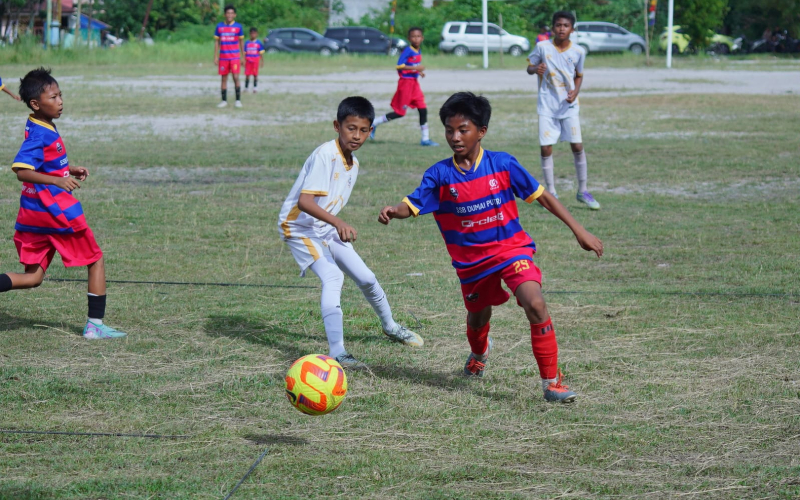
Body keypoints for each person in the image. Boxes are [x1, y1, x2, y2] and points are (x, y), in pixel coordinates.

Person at [378, 92, 603, 402]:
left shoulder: (502, 164)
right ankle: (479, 353)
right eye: (448, 129)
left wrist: (580, 230)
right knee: (477, 318)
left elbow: (543, 197)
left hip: (511, 250)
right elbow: (412, 205)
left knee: (535, 303)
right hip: (472, 265)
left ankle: (552, 383)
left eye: (463, 129)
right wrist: (394, 210)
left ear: (481, 131)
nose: (454, 137)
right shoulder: (440, 175)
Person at [277, 96, 424, 369]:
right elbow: (305, 203)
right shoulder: (325, 155)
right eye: (351, 128)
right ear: (337, 126)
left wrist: (334, 225)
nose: (357, 135)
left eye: (364, 130)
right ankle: (337, 353)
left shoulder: (353, 164)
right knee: (333, 276)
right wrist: (338, 223)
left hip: (324, 227)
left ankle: (391, 327)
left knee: (367, 278)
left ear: (371, 130)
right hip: (299, 227)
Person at [0, 68, 126, 340]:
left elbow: (46, 163)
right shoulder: (39, 134)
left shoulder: (38, 122)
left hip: (32, 213)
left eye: (60, 95)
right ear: (36, 103)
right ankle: (95, 325)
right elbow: (21, 170)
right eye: (53, 97)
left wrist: (67, 171)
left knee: (33, 278)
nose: (60, 102)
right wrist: (57, 182)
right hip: (54, 211)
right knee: (95, 259)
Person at [527, 11, 600, 210]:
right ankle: (551, 192)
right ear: (552, 28)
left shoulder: (578, 51)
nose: (561, 29)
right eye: (558, 25)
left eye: (565, 25)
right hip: (547, 106)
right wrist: (535, 70)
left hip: (569, 107)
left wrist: (575, 91)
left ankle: (583, 190)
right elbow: (529, 66)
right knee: (546, 148)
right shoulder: (542, 47)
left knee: (577, 146)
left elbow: (579, 75)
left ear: (572, 29)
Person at [370, 27, 438, 147]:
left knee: (423, 108)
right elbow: (399, 66)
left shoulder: (419, 50)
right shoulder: (407, 50)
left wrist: (418, 72)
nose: (416, 39)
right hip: (405, 84)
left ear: (422, 38)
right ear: (409, 38)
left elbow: (413, 64)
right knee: (400, 113)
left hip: (414, 84)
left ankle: (425, 139)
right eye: (413, 36)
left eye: (418, 36)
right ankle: (374, 124)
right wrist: (416, 69)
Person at [214, 5, 245, 108]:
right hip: (223, 57)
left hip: (235, 57)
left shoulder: (238, 27)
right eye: (228, 13)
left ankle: (238, 100)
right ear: (224, 14)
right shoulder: (219, 26)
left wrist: (243, 56)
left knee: (236, 77)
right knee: (224, 78)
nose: (230, 15)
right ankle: (224, 101)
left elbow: (241, 42)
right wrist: (215, 56)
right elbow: (217, 42)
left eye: (232, 13)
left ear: (235, 15)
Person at [243, 27, 265, 94]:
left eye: (254, 33)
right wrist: (243, 61)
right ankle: (246, 88)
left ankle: (255, 88)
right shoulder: (247, 43)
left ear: (257, 34)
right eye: (251, 33)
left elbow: (261, 53)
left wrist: (262, 61)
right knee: (247, 75)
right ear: (250, 34)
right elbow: (244, 53)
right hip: (248, 61)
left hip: (255, 61)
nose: (253, 35)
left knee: (255, 75)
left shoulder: (259, 43)